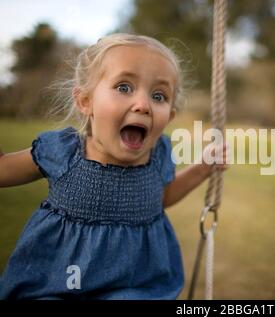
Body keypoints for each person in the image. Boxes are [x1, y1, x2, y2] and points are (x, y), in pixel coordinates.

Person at [0, 33, 228, 299]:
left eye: (158, 95)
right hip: (56, 282)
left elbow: (159, 198)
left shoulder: (159, 154)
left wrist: (201, 169)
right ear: (85, 101)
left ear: (170, 116)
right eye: (124, 87)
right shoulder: (63, 152)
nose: (143, 105)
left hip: (134, 285)